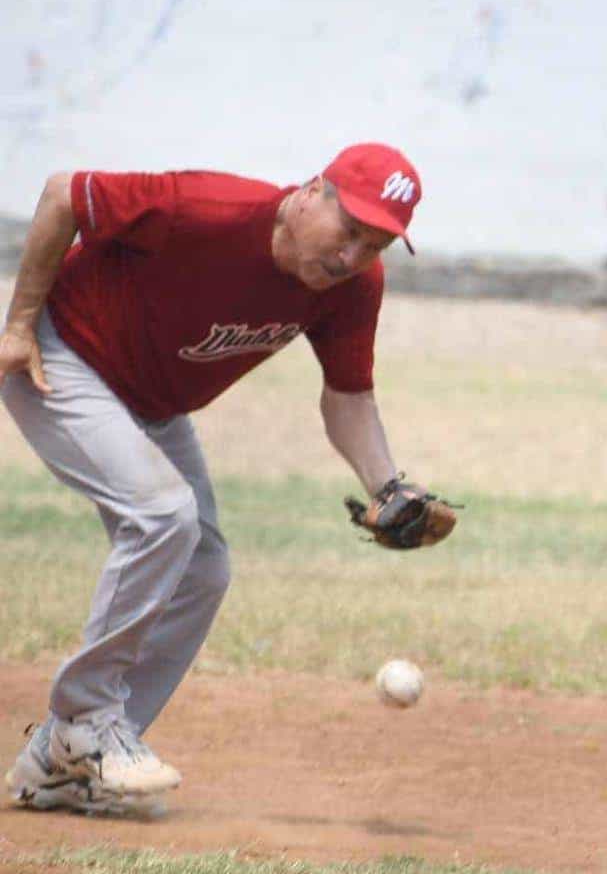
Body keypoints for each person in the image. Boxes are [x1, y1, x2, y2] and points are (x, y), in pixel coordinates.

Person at [1, 143, 430, 814]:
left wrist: (388, 487)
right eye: (349, 231)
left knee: (202, 568)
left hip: (152, 406)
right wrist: (20, 324)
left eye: (374, 245)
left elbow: (349, 398)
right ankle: (84, 723)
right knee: (163, 516)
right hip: (59, 363)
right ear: (311, 192)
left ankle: (65, 764)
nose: (352, 257)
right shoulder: (203, 209)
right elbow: (64, 193)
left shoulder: (352, 289)